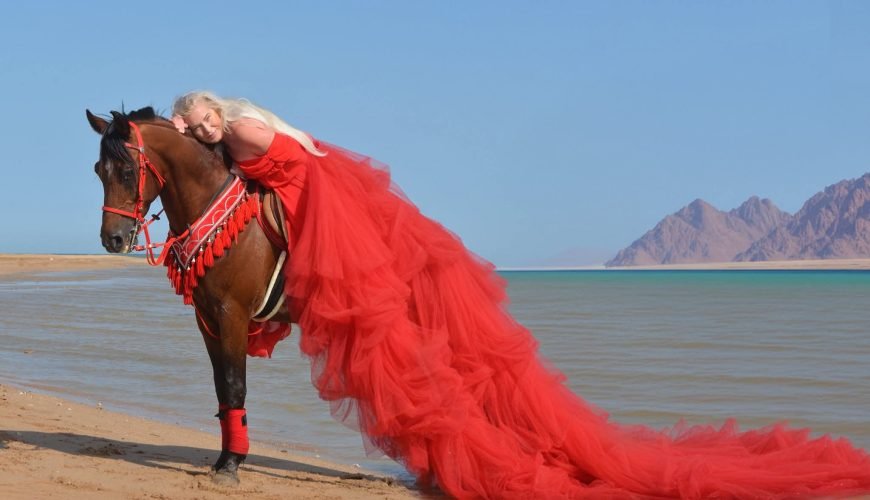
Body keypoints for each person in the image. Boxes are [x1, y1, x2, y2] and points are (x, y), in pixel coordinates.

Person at [171, 91, 870, 499]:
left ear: (216, 109)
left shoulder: (242, 126)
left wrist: (310, 205)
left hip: (313, 196)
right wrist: (176, 139)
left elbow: (303, 150)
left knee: (360, 319)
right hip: (292, 193)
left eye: (202, 119)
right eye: (194, 127)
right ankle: (436, 454)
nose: (203, 130)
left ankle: (455, 456)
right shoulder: (212, 140)